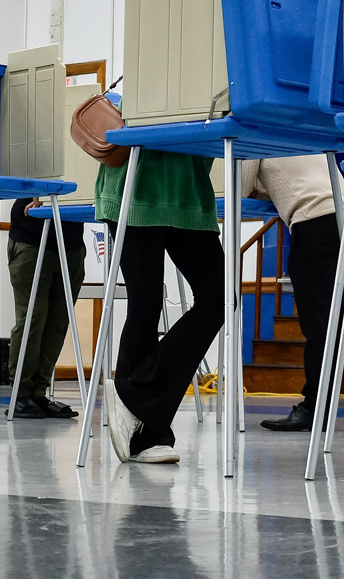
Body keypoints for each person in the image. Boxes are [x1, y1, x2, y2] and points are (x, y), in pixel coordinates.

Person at [99, 149, 223, 464]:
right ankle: (148, 436)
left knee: (220, 297)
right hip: (136, 186)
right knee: (146, 302)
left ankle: (133, 396)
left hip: (189, 191)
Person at [238, 156, 342, 433]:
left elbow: (239, 187)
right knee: (331, 320)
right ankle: (323, 405)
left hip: (315, 221)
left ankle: (313, 407)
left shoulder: (253, 133)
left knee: (318, 322)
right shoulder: (297, 130)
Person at [7, 199, 86, 420]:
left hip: (70, 239)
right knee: (33, 318)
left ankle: (39, 392)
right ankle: (20, 393)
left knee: (58, 321)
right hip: (31, 234)